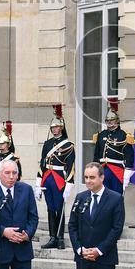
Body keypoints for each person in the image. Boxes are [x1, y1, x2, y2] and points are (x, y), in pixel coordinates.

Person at [38, 105, 75, 250]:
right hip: (47, 177)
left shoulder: (69, 145)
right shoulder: (47, 144)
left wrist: (69, 184)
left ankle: (60, 238)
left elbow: (71, 166)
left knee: (59, 208)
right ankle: (52, 237)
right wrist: (38, 182)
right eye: (52, 127)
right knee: (50, 208)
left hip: (59, 178)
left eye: (57, 127)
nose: (54, 129)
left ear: (62, 128)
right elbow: (42, 163)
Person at [92, 98, 135, 195]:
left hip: (117, 171)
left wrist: (127, 174)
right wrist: (94, 170)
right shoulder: (101, 135)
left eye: (112, 120)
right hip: (102, 169)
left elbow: (129, 156)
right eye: (107, 121)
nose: (109, 122)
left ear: (117, 121)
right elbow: (96, 155)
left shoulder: (124, 135)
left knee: (116, 197)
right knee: (102, 197)